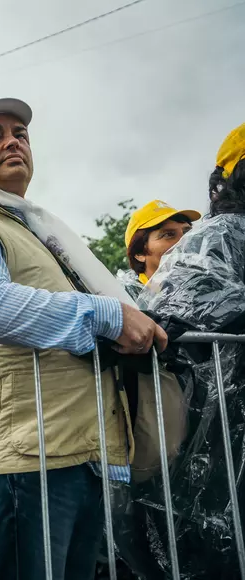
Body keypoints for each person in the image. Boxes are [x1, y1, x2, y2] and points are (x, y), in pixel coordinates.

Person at [0, 98, 170, 579]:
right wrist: (109, 315)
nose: (12, 140)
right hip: (25, 460)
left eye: (20, 133)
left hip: (77, 450)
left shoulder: (37, 229)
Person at [124, 122, 245, 579]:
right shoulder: (219, 238)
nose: (177, 238)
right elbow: (177, 318)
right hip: (219, 446)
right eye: (164, 234)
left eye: (180, 230)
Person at [116, 200, 200, 299]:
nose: (185, 241)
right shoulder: (127, 300)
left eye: (187, 232)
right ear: (139, 254)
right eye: (169, 234)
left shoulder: (207, 283)